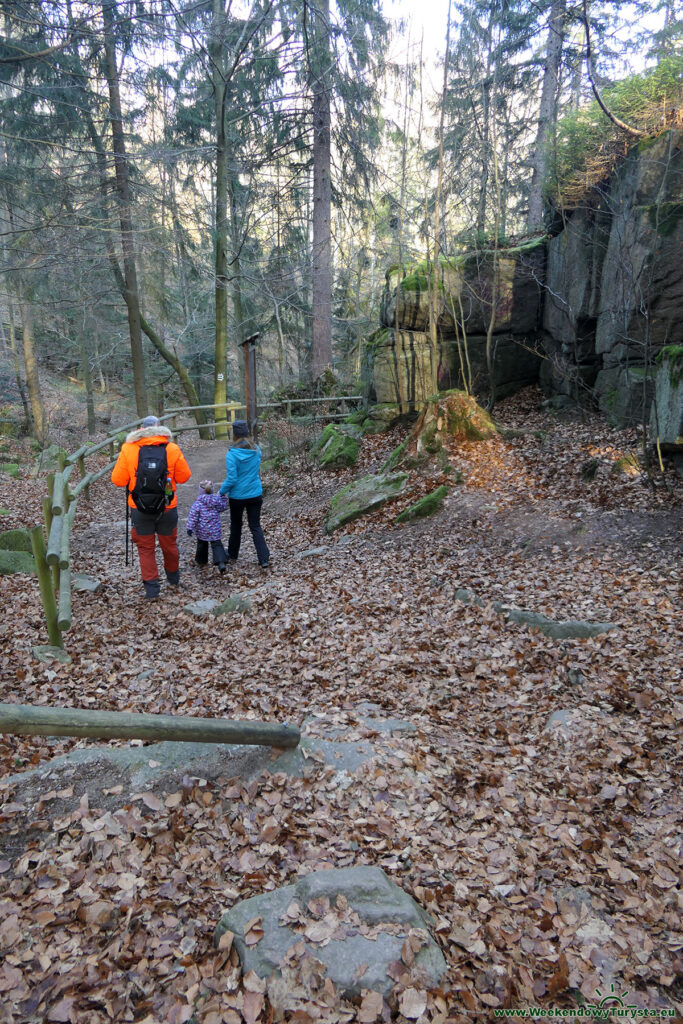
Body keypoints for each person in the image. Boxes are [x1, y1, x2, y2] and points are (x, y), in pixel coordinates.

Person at [111, 415, 191, 599]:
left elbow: (118, 480)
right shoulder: (171, 448)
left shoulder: (128, 448)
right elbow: (185, 476)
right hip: (167, 507)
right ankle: (173, 577)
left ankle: (152, 588)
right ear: (159, 427)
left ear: (141, 428)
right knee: (169, 544)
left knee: (145, 549)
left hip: (139, 508)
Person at [219, 420, 270, 568]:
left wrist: (221, 492)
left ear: (234, 434)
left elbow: (232, 478)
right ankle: (264, 558)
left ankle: (233, 554)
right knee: (255, 526)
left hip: (237, 497)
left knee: (236, 525)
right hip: (255, 494)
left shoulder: (232, 455)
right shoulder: (256, 450)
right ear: (247, 432)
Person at [186, 480, 229, 572]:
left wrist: (190, 528)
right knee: (217, 544)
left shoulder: (197, 504)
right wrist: (223, 497)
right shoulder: (216, 500)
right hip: (215, 530)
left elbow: (193, 517)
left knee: (202, 544)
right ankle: (221, 562)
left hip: (202, 530)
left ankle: (201, 560)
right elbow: (223, 507)